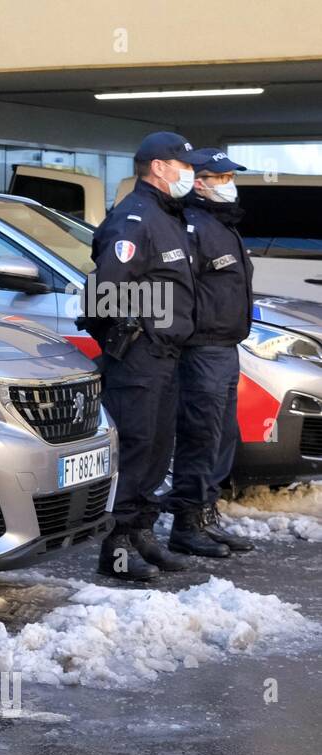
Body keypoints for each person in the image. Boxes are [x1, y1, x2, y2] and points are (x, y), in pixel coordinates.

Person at [88, 131, 200, 581]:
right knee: (135, 450)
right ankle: (115, 550)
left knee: (156, 450)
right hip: (140, 357)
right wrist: (132, 336)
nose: (189, 175)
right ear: (159, 168)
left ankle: (141, 534)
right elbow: (105, 293)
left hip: (167, 356)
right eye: (184, 166)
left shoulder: (167, 216)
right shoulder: (135, 219)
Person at [168, 149, 256, 555]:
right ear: (199, 182)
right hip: (202, 350)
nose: (228, 184)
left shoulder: (223, 225)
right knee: (200, 437)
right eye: (220, 177)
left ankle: (205, 515)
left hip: (226, 348)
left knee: (223, 438)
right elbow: (180, 291)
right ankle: (186, 525)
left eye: (229, 177)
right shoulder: (192, 226)